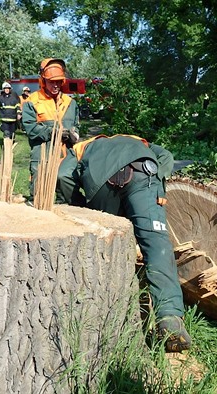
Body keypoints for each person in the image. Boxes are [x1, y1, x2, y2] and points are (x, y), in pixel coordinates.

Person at [55, 134, 192, 353]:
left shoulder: (81, 148)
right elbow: (166, 157)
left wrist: (78, 207)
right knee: (156, 244)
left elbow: (62, 176)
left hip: (101, 185)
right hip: (142, 173)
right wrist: (158, 183)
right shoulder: (138, 140)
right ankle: (169, 318)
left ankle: (103, 307)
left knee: (108, 246)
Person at [22, 58, 79, 200]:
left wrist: (74, 135)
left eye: (58, 81)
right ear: (43, 80)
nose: (55, 85)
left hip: (65, 155)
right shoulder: (32, 101)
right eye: (51, 82)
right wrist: (53, 132)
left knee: (66, 190)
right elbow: (30, 128)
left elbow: (76, 126)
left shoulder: (70, 103)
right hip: (42, 153)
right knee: (38, 197)